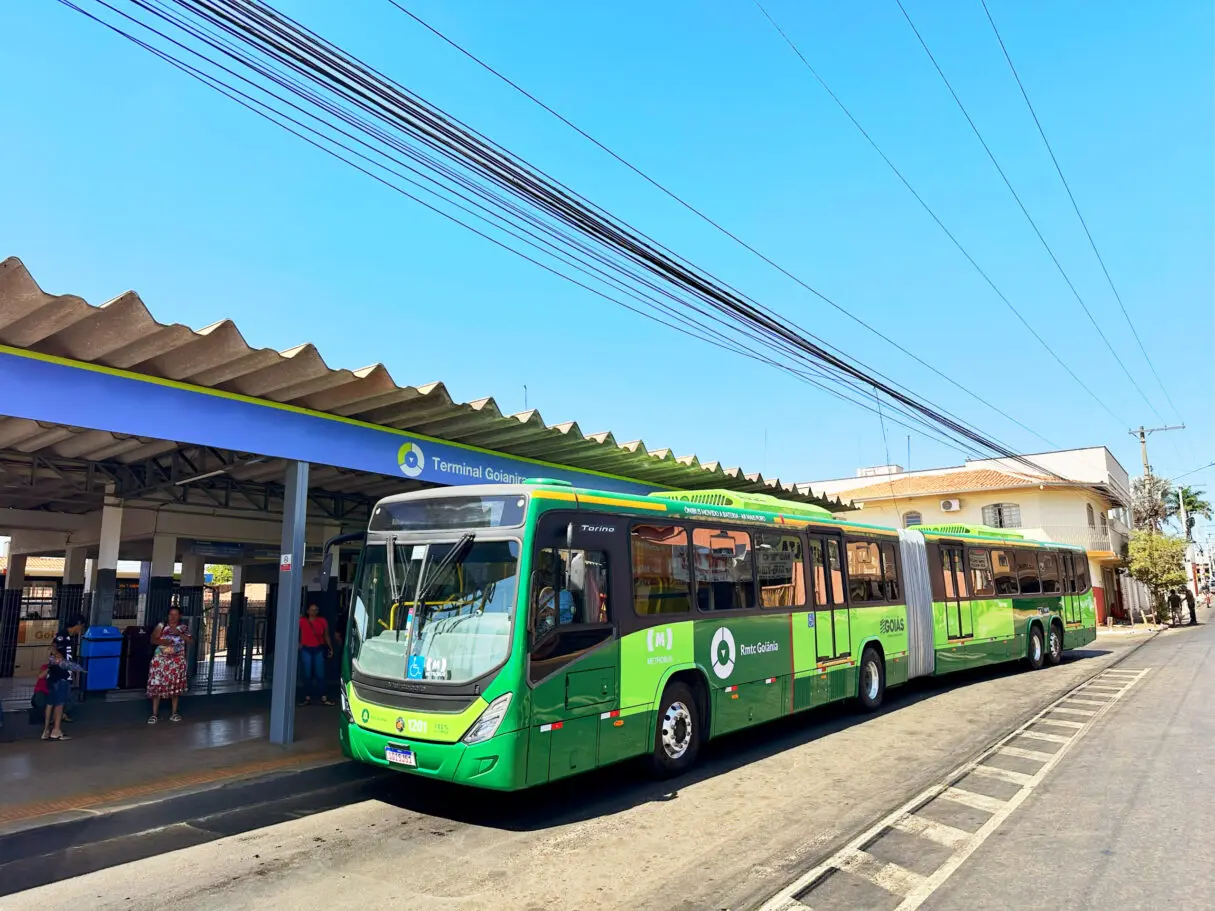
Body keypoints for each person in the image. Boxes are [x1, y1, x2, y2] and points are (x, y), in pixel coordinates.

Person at [147, 606, 191, 723]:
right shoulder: (161, 626)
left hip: (176, 661)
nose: (173, 617)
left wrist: (179, 633)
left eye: (176, 614)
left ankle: (174, 713)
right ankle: (154, 714)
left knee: (175, 687)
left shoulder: (183, 628)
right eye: (171, 614)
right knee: (157, 686)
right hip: (160, 661)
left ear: (180, 616)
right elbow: (152, 639)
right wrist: (163, 641)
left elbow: (191, 641)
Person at [38, 644, 81, 741]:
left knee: (49, 705)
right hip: (61, 683)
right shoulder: (62, 662)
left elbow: (41, 676)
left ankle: (46, 730)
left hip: (51, 684)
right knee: (59, 705)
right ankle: (56, 731)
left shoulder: (51, 665)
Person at [298, 602, 334, 707]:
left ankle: (323, 697)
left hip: (318, 648)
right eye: (312, 609)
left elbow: (326, 635)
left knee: (320, 674)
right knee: (307, 674)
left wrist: (330, 647)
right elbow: (294, 632)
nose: (314, 611)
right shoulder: (302, 621)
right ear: (308, 611)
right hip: (306, 648)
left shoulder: (322, 621)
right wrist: (298, 644)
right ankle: (308, 697)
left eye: (316, 609)